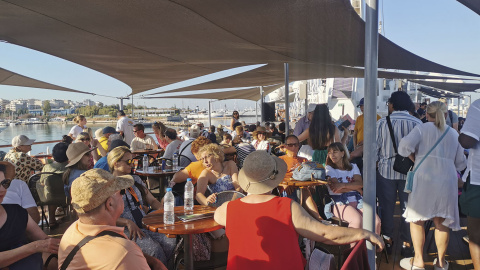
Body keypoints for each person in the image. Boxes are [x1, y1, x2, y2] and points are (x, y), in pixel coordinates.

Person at [213, 151, 384, 269]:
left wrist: (242, 195)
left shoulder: (228, 209)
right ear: (275, 180)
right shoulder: (287, 207)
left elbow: (217, 214)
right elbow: (325, 234)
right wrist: (364, 233)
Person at [397, 101, 466, 269]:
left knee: (417, 219)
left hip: (424, 178)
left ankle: (419, 261)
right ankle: (441, 263)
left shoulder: (422, 128)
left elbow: (403, 148)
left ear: (426, 114)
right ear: (446, 115)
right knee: (441, 222)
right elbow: (461, 163)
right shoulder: (454, 134)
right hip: (446, 180)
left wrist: (417, 158)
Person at [58, 169, 165, 270]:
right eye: (122, 192)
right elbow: (122, 254)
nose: (124, 195)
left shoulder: (71, 232)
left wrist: (153, 261)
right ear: (110, 204)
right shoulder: (125, 252)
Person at [108, 147, 175, 264]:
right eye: (128, 161)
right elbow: (106, 216)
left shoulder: (136, 180)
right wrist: (127, 222)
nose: (133, 165)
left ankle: (163, 266)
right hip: (126, 230)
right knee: (154, 250)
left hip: (145, 224)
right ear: (116, 163)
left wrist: (164, 212)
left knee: (171, 238)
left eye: (133, 161)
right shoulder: (108, 186)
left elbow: (153, 201)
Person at [376, 91, 422, 256]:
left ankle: (387, 240)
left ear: (392, 104)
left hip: (386, 171)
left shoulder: (382, 123)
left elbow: (375, 148)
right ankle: (406, 243)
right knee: (407, 208)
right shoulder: (417, 123)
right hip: (409, 172)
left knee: (386, 207)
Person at [0, 163, 60, 270]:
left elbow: (44, 239)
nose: (3, 190)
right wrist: (33, 247)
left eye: (4, 183)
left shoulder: (17, 211)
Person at [325, 142, 381, 235]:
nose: (332, 155)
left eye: (335, 152)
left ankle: (373, 248)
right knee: (357, 221)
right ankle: (355, 249)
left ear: (343, 153)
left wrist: (343, 185)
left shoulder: (353, 166)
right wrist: (355, 188)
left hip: (357, 199)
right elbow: (336, 188)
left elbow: (360, 183)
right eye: (329, 152)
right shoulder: (329, 168)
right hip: (338, 201)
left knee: (376, 222)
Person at [277, 135, 322, 221]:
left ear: (299, 146)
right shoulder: (280, 160)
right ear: (285, 146)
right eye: (290, 145)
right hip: (287, 190)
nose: (293, 147)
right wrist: (284, 185)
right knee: (303, 191)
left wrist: (311, 185)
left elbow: (310, 174)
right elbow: (275, 177)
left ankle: (316, 219)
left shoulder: (304, 160)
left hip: (301, 188)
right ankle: (319, 219)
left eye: (295, 145)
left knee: (304, 190)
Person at [458, 98, 480, 270]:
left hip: (478, 181)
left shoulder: (478, 105)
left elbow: (467, 141)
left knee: (476, 234)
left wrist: (461, 131)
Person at [39, 142, 69, 227]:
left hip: (50, 198)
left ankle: (51, 220)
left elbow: (42, 182)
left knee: (52, 194)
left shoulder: (47, 167)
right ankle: (72, 217)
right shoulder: (71, 167)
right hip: (68, 197)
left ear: (53, 155)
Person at [351, 98, 381, 172]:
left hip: (371, 148)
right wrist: (355, 147)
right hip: (358, 147)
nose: (361, 108)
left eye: (363, 106)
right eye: (360, 106)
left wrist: (365, 141)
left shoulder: (378, 118)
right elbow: (355, 134)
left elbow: (379, 135)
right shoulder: (359, 118)